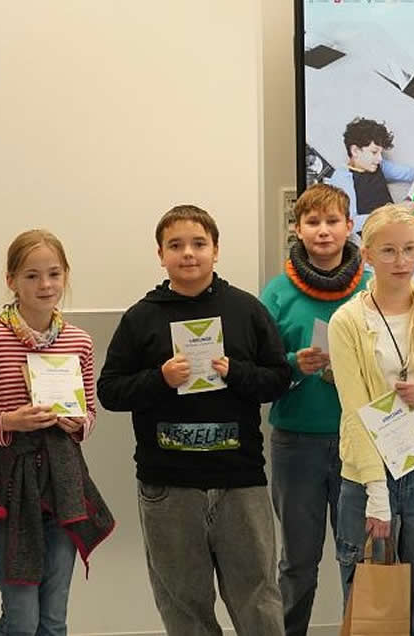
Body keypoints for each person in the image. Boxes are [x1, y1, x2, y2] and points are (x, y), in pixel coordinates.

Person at [97, 205, 290, 636]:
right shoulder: (140, 318)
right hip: (169, 486)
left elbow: (278, 379)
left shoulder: (246, 310)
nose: (188, 253)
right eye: (176, 245)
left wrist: (237, 372)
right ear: (160, 255)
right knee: (183, 604)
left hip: (240, 480)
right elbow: (109, 391)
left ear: (216, 251)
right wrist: (160, 379)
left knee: (258, 598)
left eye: (199, 244)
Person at [0, 229, 114, 635]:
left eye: (54, 274)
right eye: (31, 275)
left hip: (64, 486)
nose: (45, 285)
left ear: (65, 275)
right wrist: (7, 422)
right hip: (10, 486)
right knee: (22, 617)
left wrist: (78, 424)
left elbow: (90, 414)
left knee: (54, 617)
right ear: (11, 280)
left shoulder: (78, 341)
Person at [328, 203, 414, 636]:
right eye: (388, 251)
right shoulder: (347, 322)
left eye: (409, 249)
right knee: (373, 611)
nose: (401, 260)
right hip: (367, 477)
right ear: (367, 254)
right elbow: (355, 414)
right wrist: (376, 493)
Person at [260, 183, 370, 636]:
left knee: (359, 559)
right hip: (296, 442)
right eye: (313, 222)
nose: (323, 231)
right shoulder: (277, 293)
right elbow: (259, 368)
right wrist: (293, 363)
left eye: (332, 221)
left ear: (349, 226)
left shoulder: (372, 287)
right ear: (297, 229)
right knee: (297, 562)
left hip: (361, 441)